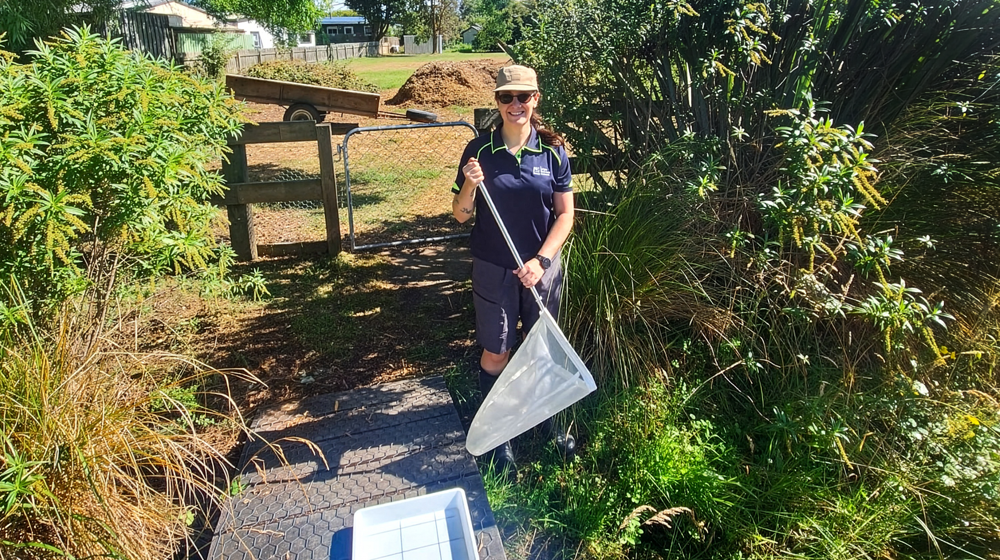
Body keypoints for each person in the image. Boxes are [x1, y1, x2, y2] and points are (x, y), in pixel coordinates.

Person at [452, 65, 575, 472]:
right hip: (494, 267)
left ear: (535, 99)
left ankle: (549, 424)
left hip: (541, 270)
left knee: (543, 347)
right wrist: (470, 184)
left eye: (523, 96)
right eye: (507, 97)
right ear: (497, 101)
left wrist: (542, 261)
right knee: (497, 350)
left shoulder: (553, 152)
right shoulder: (479, 150)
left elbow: (565, 216)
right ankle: (499, 432)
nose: (515, 104)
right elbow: (460, 215)